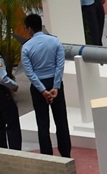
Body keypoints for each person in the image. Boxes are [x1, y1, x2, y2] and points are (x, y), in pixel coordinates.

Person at [21, 14, 71, 158]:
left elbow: (29, 72)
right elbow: (59, 65)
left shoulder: (26, 47)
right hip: (55, 85)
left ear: (29, 29)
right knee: (61, 121)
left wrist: (42, 90)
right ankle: (66, 153)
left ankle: (47, 155)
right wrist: (55, 87)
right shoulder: (55, 41)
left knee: (42, 123)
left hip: (38, 88)